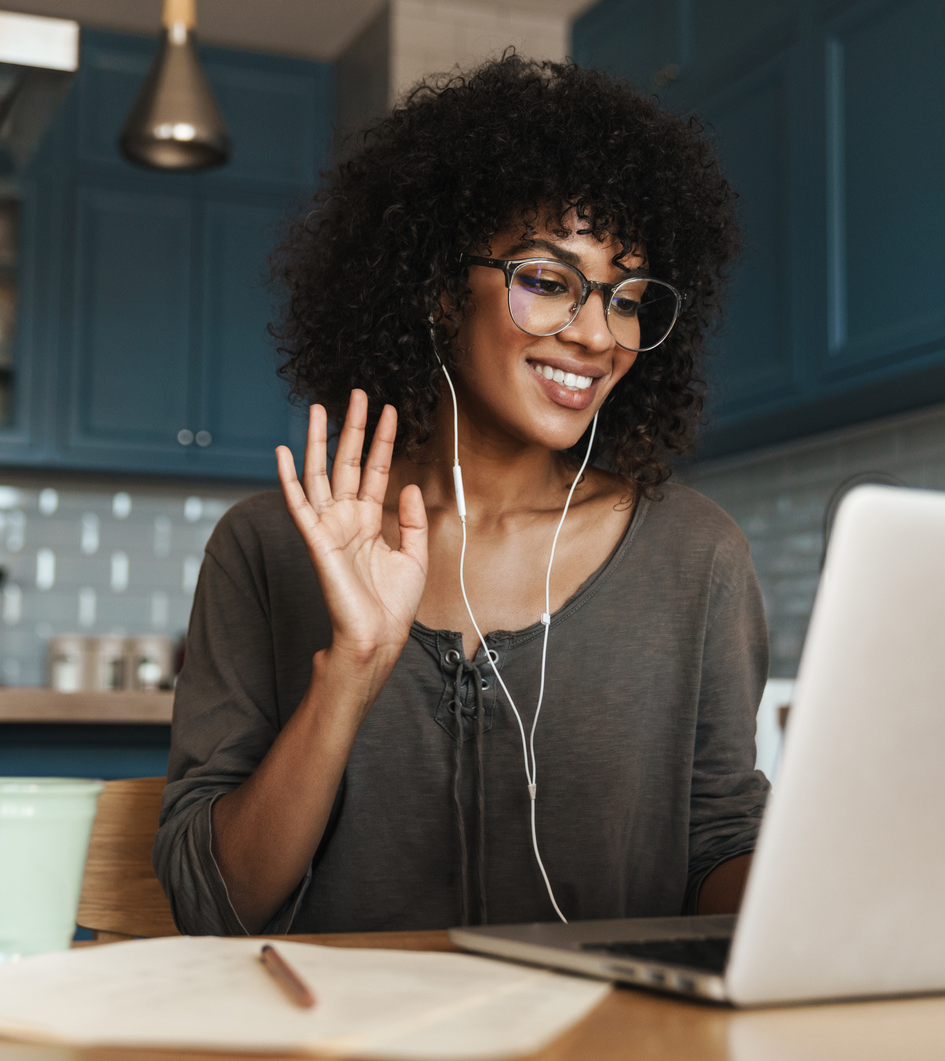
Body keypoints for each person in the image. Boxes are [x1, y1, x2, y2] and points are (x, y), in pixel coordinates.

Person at [154, 55, 768, 935]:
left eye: (628, 298)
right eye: (549, 282)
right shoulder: (267, 547)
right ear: (441, 290)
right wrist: (352, 673)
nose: (597, 335)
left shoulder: (694, 556)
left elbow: (717, 848)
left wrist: (834, 894)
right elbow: (213, 905)